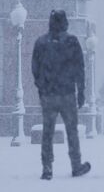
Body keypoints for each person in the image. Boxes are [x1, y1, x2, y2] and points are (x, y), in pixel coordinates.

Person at [32, 10, 91, 180]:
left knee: (47, 131)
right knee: (72, 131)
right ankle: (76, 165)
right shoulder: (72, 41)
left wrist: (42, 87)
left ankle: (47, 167)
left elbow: (35, 68)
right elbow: (80, 68)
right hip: (67, 94)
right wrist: (81, 91)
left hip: (48, 95)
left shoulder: (41, 42)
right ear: (65, 23)